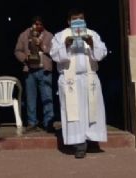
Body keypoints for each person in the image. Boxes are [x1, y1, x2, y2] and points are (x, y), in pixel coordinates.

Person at [49, 9, 107, 158]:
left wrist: (92, 44)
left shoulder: (92, 34)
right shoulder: (60, 36)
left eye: (81, 18)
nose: (78, 21)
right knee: (73, 112)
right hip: (70, 80)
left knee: (91, 110)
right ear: (69, 21)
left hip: (89, 78)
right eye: (75, 19)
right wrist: (66, 45)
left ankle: (92, 140)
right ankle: (79, 144)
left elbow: (101, 54)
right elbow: (54, 55)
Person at [13, 16, 55, 132]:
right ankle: (32, 122)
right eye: (36, 24)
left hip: (44, 70)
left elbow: (54, 52)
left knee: (47, 97)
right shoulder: (24, 35)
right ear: (32, 24)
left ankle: (49, 122)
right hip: (30, 70)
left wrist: (42, 45)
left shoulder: (49, 36)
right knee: (30, 98)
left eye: (40, 24)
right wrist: (24, 57)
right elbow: (17, 51)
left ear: (43, 25)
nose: (38, 26)